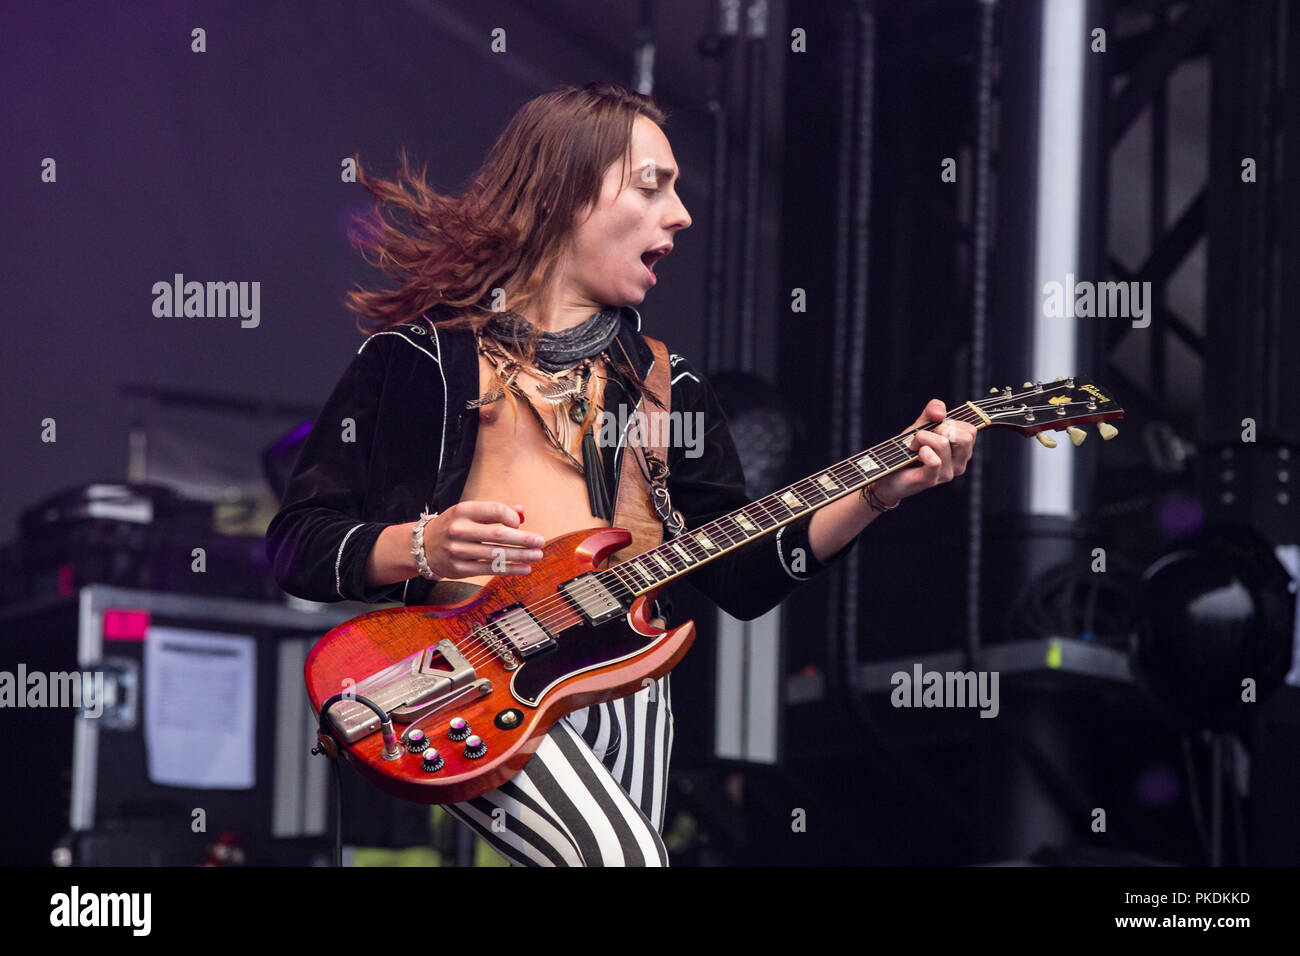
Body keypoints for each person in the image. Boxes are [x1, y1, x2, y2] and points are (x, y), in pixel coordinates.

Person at [266, 81, 977, 866]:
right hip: (472, 679)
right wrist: (421, 545)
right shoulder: (417, 363)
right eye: (653, 185)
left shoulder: (666, 385)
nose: (681, 215)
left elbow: (744, 574)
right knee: (624, 862)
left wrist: (877, 492)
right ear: (565, 192)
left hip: (632, 690)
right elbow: (298, 541)